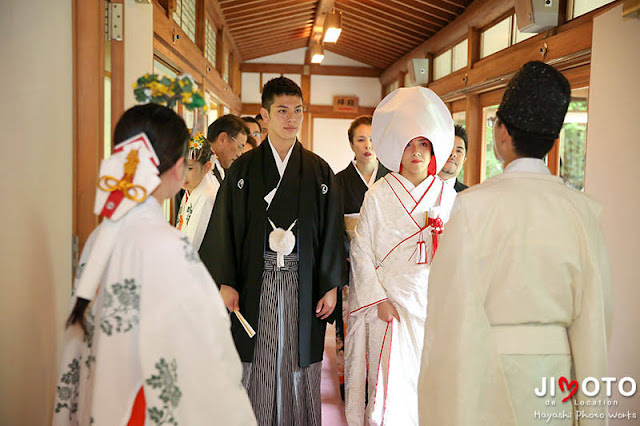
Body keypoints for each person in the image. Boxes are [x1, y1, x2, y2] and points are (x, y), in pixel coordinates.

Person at [418, 61, 612, 425]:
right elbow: (595, 326)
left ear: (502, 133)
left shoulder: (474, 205)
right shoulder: (583, 212)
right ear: (553, 140)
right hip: (557, 378)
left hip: (489, 374)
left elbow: (451, 313)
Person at [52, 103, 255, 426]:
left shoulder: (101, 235)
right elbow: (209, 344)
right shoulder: (167, 246)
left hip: (103, 395)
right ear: (177, 167)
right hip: (140, 404)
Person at [199, 76, 346, 425]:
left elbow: (331, 232)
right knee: (257, 362)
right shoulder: (244, 170)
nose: (291, 118)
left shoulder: (318, 171)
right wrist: (226, 281)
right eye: (282, 110)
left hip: (304, 280)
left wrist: (330, 284)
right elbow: (226, 228)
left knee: (299, 362)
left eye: (298, 110)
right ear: (264, 115)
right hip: (255, 280)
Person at [345, 87, 456, 425]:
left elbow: (458, 253)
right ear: (397, 148)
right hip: (388, 306)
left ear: (433, 148)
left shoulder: (445, 195)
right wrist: (378, 298)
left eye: (423, 144)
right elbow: (361, 249)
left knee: (428, 387)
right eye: (408, 144)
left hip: (433, 305)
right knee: (388, 389)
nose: (416, 152)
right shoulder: (379, 194)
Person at [334, 115, 390, 400]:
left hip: (386, 271)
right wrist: (354, 257)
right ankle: (352, 390)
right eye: (360, 139)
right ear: (351, 145)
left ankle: (380, 389)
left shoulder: (392, 177)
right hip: (351, 269)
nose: (368, 145)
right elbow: (334, 230)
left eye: (371, 139)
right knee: (352, 331)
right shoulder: (339, 182)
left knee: (383, 332)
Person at [176, 134, 216, 250]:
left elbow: (192, 247)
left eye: (189, 168)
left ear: (207, 167)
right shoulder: (192, 188)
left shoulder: (206, 197)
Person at [206, 114, 248, 187]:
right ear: (223, 139)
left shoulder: (224, 169)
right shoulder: (201, 165)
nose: (239, 154)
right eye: (239, 147)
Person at [438, 124, 468, 192]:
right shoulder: (419, 188)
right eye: (448, 148)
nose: (453, 154)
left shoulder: (469, 195)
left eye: (459, 151)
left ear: (464, 160)